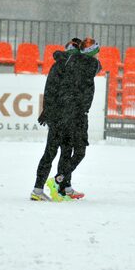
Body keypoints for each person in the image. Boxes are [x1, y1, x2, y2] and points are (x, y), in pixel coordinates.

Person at [46, 37, 102, 201]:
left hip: (72, 113)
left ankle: (64, 186)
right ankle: (58, 181)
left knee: (68, 151)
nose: (98, 56)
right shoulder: (88, 64)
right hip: (75, 115)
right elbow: (97, 66)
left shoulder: (77, 63)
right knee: (79, 151)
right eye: (97, 52)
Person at [30, 38, 82, 201]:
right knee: (59, 152)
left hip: (62, 116)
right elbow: (53, 91)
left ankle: (59, 188)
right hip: (62, 117)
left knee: (58, 152)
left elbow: (50, 90)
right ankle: (44, 190)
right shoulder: (68, 67)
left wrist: (48, 111)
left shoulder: (62, 66)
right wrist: (49, 111)